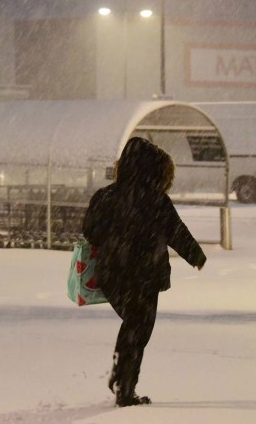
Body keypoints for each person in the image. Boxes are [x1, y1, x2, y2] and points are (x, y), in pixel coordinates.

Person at [83, 137, 207, 407]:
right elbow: (177, 231)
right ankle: (124, 386)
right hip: (144, 275)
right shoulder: (155, 200)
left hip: (112, 274)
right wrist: (195, 255)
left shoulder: (105, 196)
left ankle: (122, 377)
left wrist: (114, 237)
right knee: (139, 328)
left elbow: (90, 232)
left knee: (134, 326)